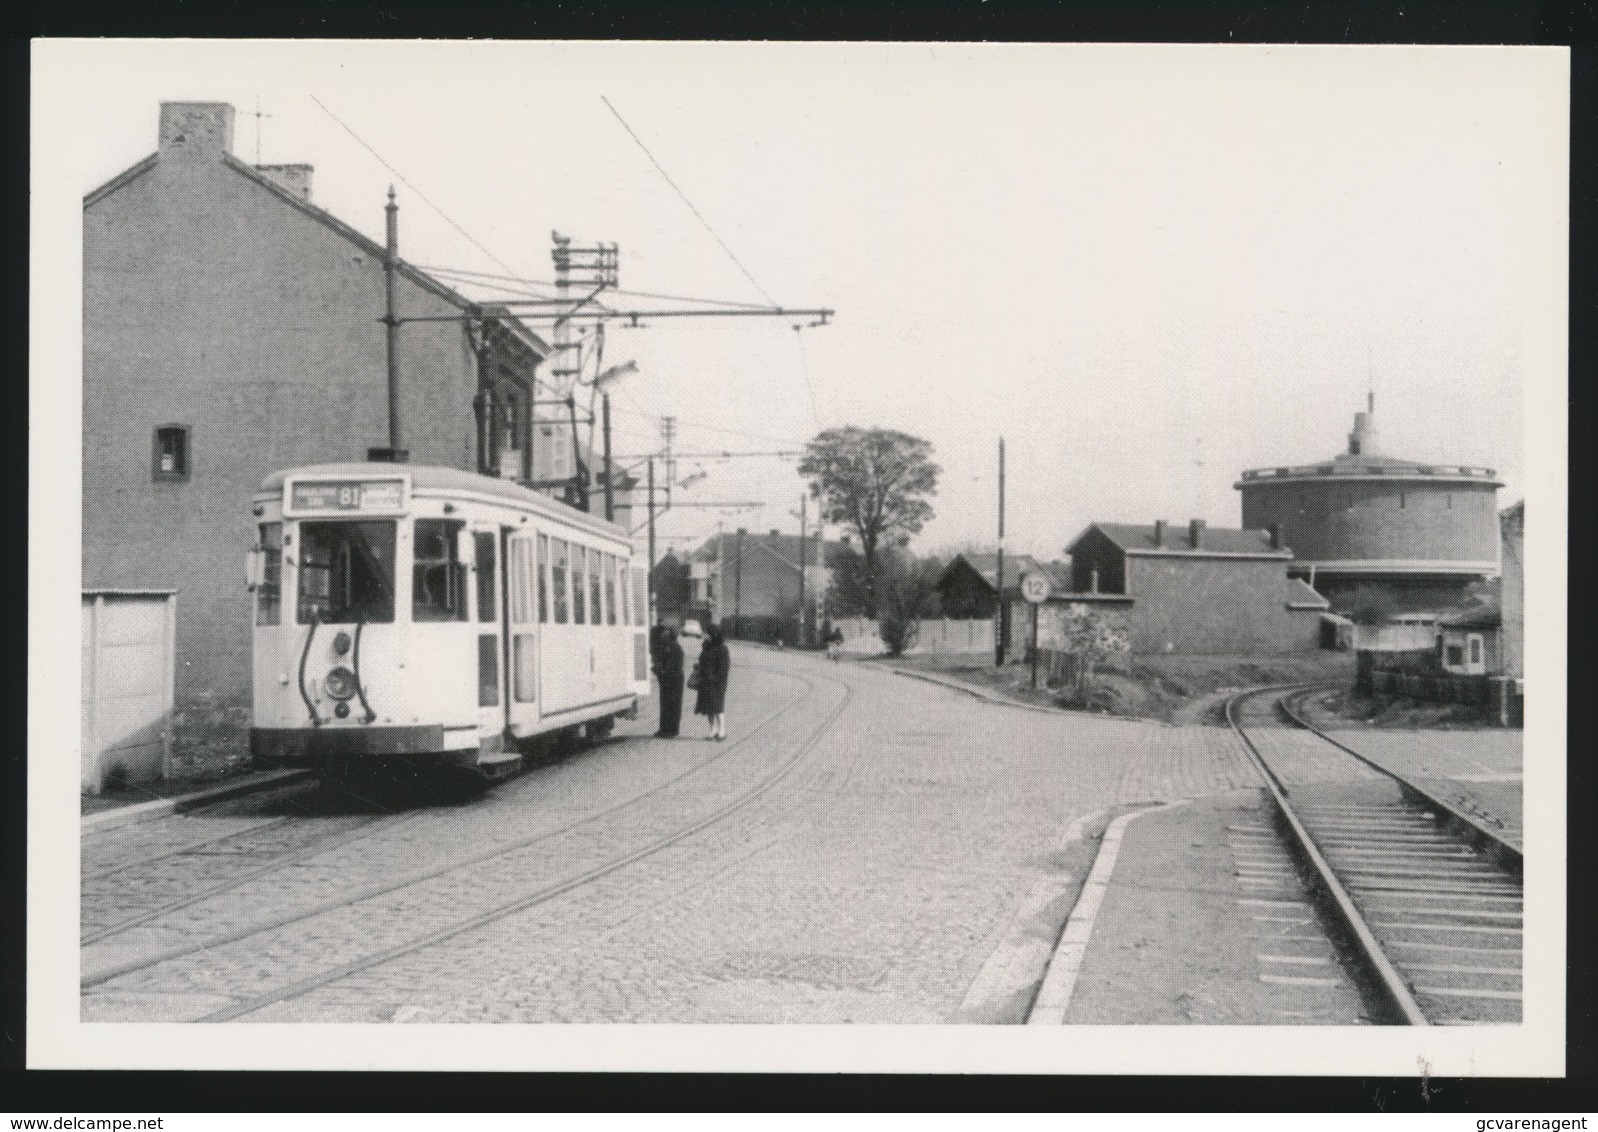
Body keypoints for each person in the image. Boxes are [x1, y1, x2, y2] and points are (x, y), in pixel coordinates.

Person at [694, 623, 731, 741]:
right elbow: (703, 660)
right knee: (708, 708)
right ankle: (712, 731)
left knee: (717, 707)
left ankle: (722, 731)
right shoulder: (706, 646)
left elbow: (724, 668)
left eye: (708, 633)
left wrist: (714, 677)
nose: (706, 636)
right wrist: (698, 666)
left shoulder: (722, 648)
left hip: (717, 683)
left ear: (713, 634)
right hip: (705, 682)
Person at [650, 619, 684, 738]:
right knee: (665, 705)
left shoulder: (675, 648)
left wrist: (662, 671)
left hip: (674, 681)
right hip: (667, 680)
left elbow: (674, 666)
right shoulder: (667, 647)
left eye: (665, 635)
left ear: (670, 636)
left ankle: (672, 730)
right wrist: (658, 669)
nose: (662, 637)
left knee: (673, 706)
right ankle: (664, 729)